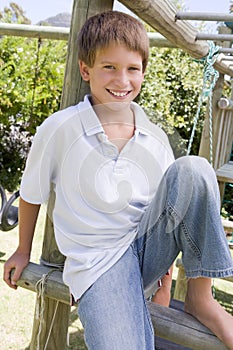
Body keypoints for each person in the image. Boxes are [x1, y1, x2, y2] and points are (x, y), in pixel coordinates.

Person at [3, 10, 233, 350]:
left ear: (143, 72)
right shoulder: (59, 128)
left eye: (132, 69)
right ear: (86, 70)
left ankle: (201, 297)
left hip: (145, 250)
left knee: (195, 169)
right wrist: (22, 250)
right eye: (109, 67)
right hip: (98, 265)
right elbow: (32, 194)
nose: (122, 80)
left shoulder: (154, 138)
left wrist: (164, 285)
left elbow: (173, 215)